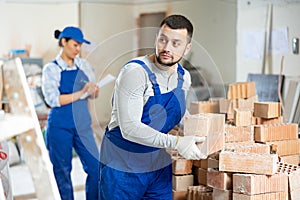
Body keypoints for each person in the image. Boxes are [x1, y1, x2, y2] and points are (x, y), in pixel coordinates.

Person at [99, 14, 207, 199]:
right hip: (123, 163)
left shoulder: (184, 77)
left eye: (176, 43)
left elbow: (177, 113)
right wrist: (177, 142)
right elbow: (130, 129)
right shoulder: (136, 73)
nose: (166, 48)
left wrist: (201, 131)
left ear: (187, 48)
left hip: (156, 162)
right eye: (162, 40)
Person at [42, 26, 99, 200]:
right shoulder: (51, 69)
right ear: (64, 42)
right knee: (63, 173)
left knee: (96, 167)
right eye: (75, 45)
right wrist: (82, 93)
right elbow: (54, 100)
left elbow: (94, 95)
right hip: (60, 126)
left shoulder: (84, 65)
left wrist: (93, 90)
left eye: (80, 45)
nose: (78, 49)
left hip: (82, 125)